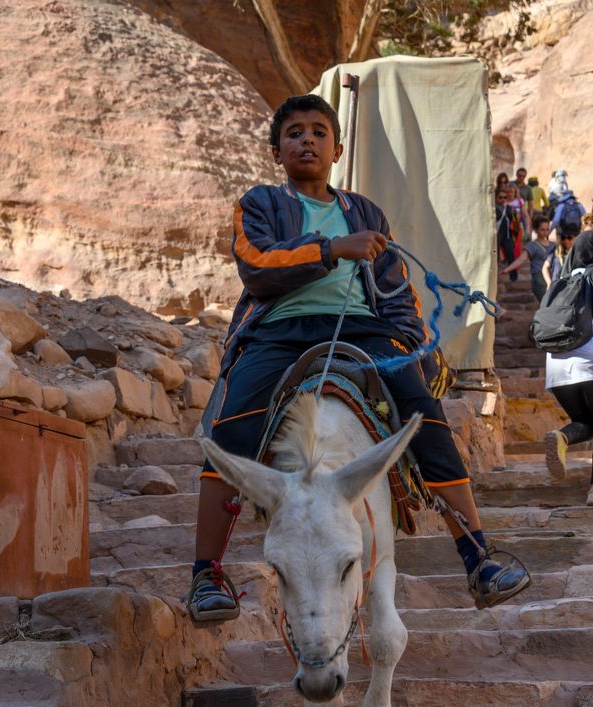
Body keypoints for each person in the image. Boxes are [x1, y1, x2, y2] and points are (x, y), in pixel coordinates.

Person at [183, 94, 530, 622]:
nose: (307, 140)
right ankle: (206, 574)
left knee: (422, 416)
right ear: (276, 151)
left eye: (319, 132)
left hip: (363, 330)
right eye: (294, 132)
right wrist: (332, 250)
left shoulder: (365, 212)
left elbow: (395, 291)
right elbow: (257, 267)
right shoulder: (258, 204)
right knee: (232, 426)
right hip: (278, 331)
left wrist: (412, 344)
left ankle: (478, 556)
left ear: (337, 148)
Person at [544, 231, 593, 502]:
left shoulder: (560, 280)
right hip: (588, 360)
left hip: (556, 367)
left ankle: (561, 437)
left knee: (586, 422)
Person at [501, 215, 555, 301]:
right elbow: (521, 260)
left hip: (554, 276)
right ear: (536, 230)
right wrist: (507, 269)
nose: (545, 232)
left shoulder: (553, 245)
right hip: (539, 279)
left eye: (547, 229)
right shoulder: (532, 246)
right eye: (542, 229)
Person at [495, 187, 517, 280]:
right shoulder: (493, 208)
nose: (503, 199)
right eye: (500, 197)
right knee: (495, 257)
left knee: (510, 254)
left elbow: (513, 219)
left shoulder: (508, 208)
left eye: (505, 197)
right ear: (495, 198)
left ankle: (513, 277)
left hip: (506, 235)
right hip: (496, 235)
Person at [506, 182, 529, 256]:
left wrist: (528, 228)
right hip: (506, 228)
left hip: (517, 227)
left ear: (515, 192)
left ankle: (518, 263)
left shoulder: (519, 202)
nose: (509, 194)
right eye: (508, 192)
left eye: (511, 192)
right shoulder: (504, 202)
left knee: (518, 246)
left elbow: (525, 215)